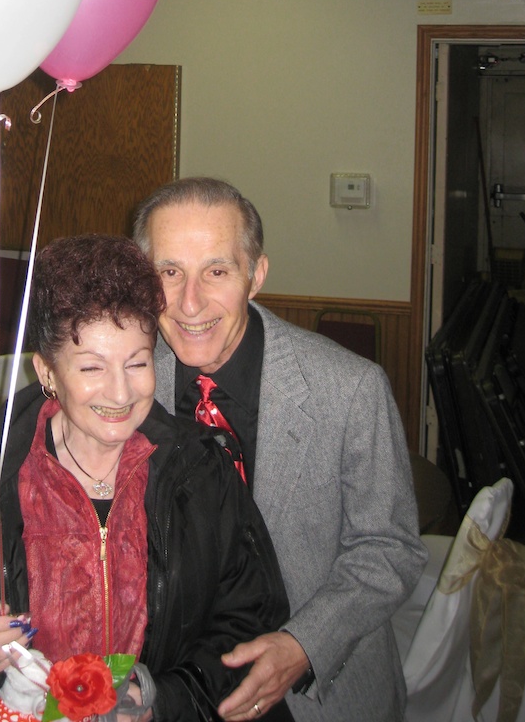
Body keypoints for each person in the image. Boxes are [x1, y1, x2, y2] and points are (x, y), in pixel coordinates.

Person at [0, 234, 292, 722]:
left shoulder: (200, 473)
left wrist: (164, 697)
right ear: (46, 371)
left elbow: (251, 618)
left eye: (137, 363)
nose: (120, 391)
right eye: (92, 366)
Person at [132, 178, 427, 722]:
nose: (190, 301)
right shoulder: (127, 383)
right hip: (172, 689)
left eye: (217, 271)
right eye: (169, 273)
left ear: (256, 275)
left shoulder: (349, 389)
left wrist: (302, 646)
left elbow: (390, 546)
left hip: (315, 695)